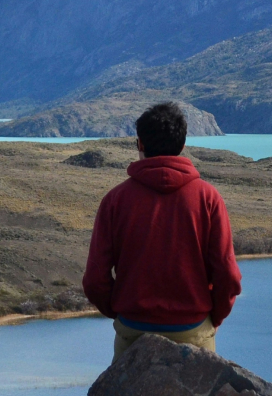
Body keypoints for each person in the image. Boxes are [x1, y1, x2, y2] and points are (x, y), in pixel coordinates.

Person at [83, 102, 243, 359]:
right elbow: (228, 275)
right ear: (182, 146)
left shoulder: (115, 200)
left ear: (140, 145)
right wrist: (213, 317)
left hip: (133, 331)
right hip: (193, 331)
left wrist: (122, 313)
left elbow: (94, 280)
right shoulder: (208, 198)